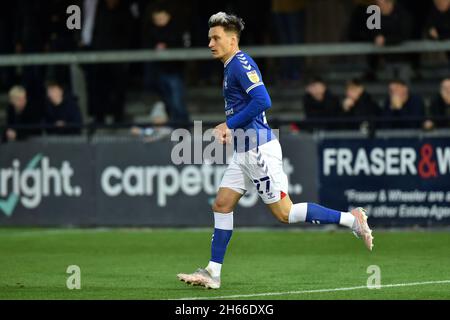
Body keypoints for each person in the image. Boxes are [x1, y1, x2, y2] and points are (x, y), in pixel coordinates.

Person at [177, 12, 374, 290]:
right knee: (222, 204)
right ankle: (213, 272)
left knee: (285, 212)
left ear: (232, 40)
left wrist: (228, 125)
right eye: (209, 37)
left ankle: (351, 219)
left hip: (258, 150)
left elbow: (263, 100)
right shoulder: (229, 65)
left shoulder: (239, 64)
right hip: (244, 150)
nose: (210, 43)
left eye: (216, 38)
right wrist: (233, 129)